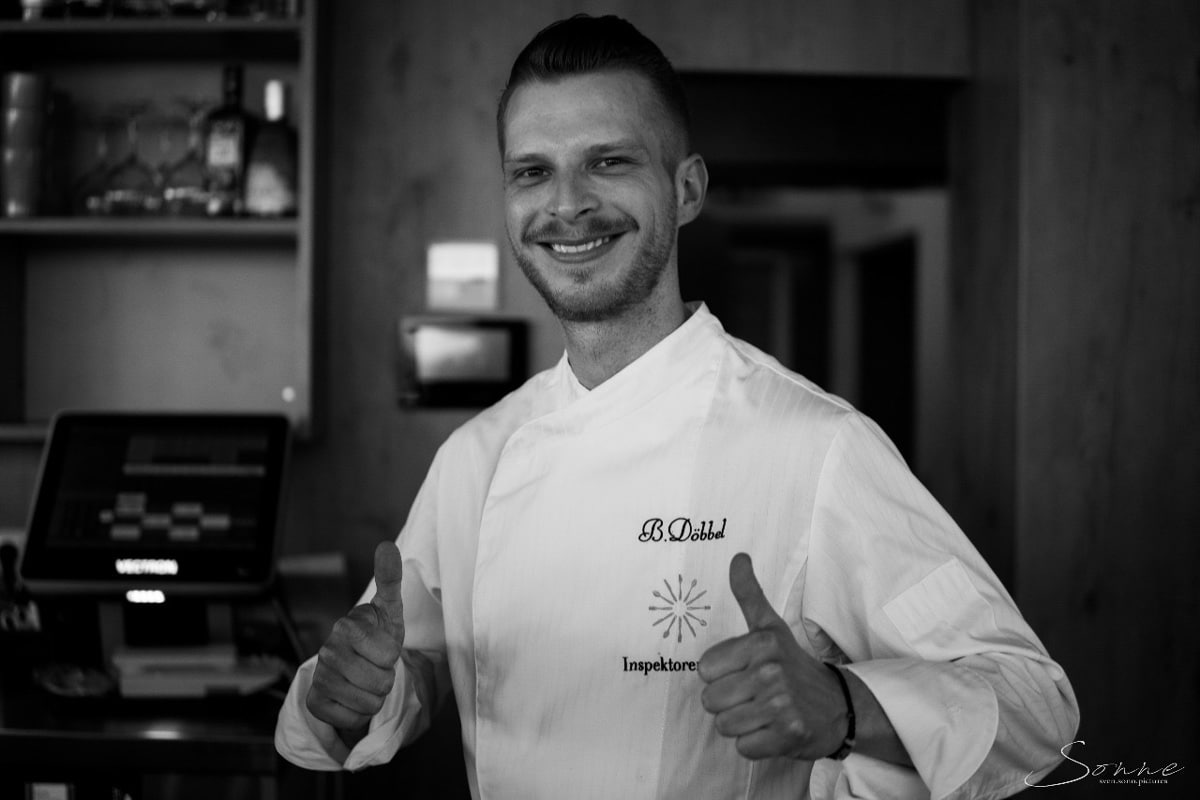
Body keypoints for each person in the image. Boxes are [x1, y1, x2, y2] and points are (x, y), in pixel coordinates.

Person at [276, 14, 1079, 799]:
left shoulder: (813, 445)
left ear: (686, 188)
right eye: (532, 172)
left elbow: (1035, 707)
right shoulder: (476, 457)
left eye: (608, 161)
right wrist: (352, 695)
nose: (566, 204)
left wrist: (842, 708)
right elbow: (403, 673)